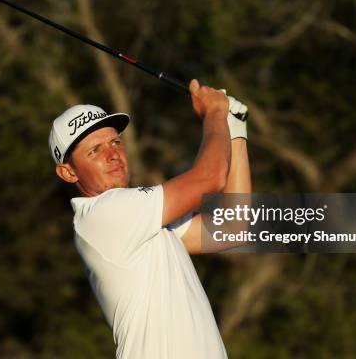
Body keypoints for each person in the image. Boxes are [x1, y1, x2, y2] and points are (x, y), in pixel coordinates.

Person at [48, 79, 251, 359]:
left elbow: (233, 229)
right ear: (68, 173)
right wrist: (215, 113)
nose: (112, 154)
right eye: (94, 150)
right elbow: (210, 178)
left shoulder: (141, 220)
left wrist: (234, 131)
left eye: (115, 142)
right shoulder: (104, 213)